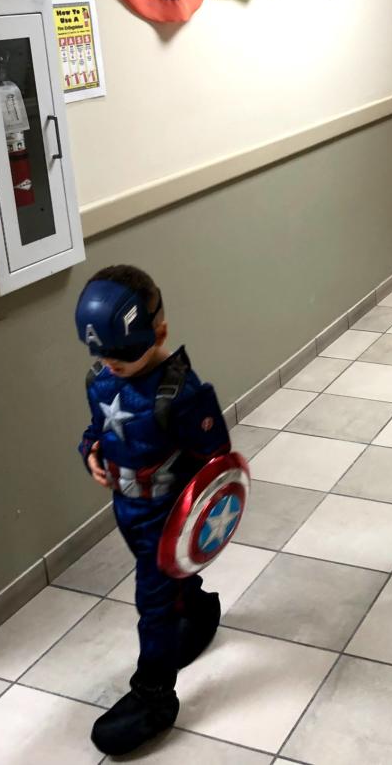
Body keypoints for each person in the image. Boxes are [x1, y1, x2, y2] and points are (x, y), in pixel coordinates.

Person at [75, 265, 230, 755]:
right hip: (127, 510)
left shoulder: (182, 394)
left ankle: (154, 696)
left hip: (167, 518)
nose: (112, 363)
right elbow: (98, 428)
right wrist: (89, 450)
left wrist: (192, 528)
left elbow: (217, 465)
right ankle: (196, 608)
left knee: (153, 603)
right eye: (103, 353)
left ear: (159, 333)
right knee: (166, 589)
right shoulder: (101, 379)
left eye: (124, 353)